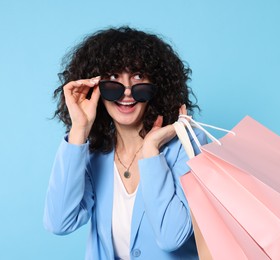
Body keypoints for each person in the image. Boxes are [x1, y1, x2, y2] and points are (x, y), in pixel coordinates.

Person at [43, 26, 207, 260]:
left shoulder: (189, 145)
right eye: (113, 79)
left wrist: (151, 153)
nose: (127, 91)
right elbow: (59, 222)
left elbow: (171, 237)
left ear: (156, 85)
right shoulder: (94, 154)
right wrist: (79, 129)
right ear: (95, 87)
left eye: (138, 77)